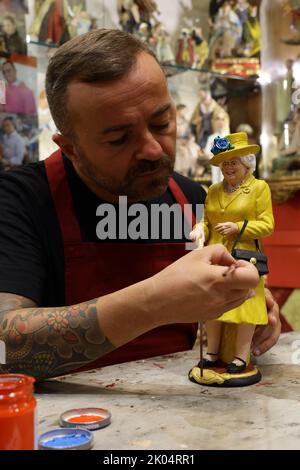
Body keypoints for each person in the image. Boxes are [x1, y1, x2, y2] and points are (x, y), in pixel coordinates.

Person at [0, 29, 280, 381]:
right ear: (69, 148)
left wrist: (245, 310)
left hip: (183, 415)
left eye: (162, 122)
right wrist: (156, 302)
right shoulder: (20, 202)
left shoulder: (194, 199)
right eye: (119, 138)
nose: (153, 149)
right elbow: (3, 347)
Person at [190, 132, 275, 375]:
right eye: (225, 163)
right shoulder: (214, 190)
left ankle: (240, 356)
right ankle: (212, 352)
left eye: (233, 162)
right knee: (214, 305)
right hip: (216, 258)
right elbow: (208, 220)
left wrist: (239, 227)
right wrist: (199, 229)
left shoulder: (259, 188)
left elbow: (268, 224)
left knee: (245, 306)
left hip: (243, 257)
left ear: (247, 163)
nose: (228, 168)